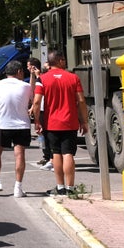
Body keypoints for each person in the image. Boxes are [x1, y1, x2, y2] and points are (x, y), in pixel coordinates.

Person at [32, 51, 88, 196]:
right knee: (68, 153)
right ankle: (70, 188)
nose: (65, 62)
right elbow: (81, 101)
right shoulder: (73, 78)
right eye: (63, 60)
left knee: (56, 153)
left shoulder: (42, 79)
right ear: (60, 61)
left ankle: (60, 187)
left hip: (52, 123)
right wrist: (84, 121)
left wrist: (37, 121)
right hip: (70, 122)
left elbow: (37, 101)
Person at [0, 60, 34, 198]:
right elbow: (32, 100)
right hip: (22, 124)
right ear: (19, 72)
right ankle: (18, 187)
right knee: (19, 154)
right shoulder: (26, 86)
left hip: (2, 123)